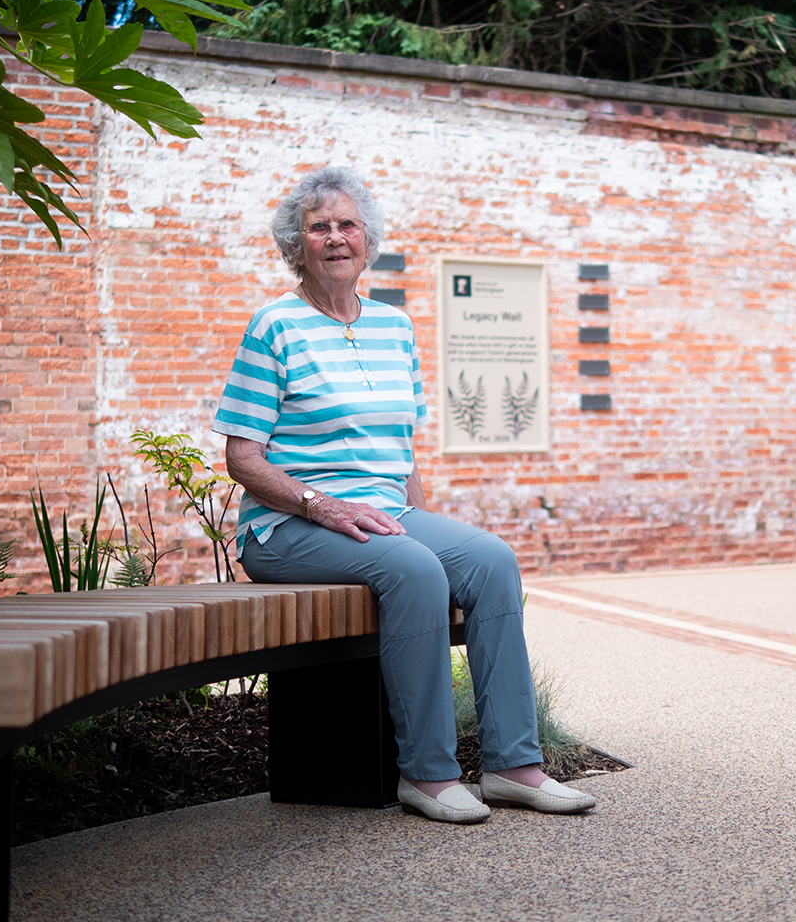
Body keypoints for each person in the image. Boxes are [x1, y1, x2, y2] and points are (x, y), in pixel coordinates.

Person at [212, 166, 595, 824]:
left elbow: (402, 450)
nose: (335, 237)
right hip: (288, 528)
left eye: (347, 225)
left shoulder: (395, 328)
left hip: (386, 514)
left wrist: (422, 518)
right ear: (296, 244)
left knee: (491, 560)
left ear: (368, 239)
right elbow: (243, 459)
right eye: (319, 227)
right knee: (415, 568)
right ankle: (429, 774)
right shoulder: (273, 326)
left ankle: (514, 765)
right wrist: (322, 505)